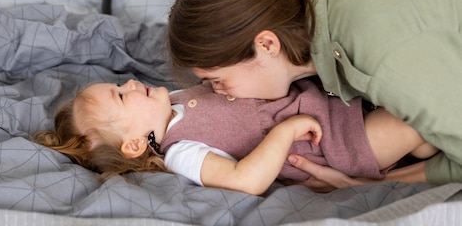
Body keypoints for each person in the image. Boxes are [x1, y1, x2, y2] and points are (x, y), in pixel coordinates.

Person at [166, 0, 462, 189]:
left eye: (218, 80)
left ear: (267, 44)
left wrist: (368, 185)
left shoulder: (380, 60)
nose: (218, 92)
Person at [34, 78, 437, 196]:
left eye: (120, 82)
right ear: (136, 144)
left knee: (425, 134)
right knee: (418, 119)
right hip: (336, 141)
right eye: (122, 95)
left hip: (333, 104)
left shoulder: (172, 100)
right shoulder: (180, 153)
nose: (132, 81)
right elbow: (247, 179)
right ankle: (383, 175)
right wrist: (286, 129)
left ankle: (408, 166)